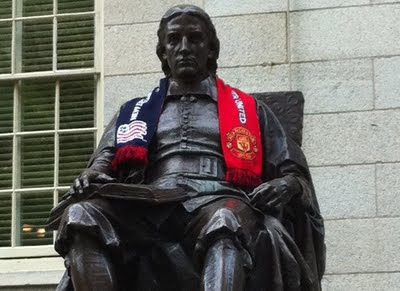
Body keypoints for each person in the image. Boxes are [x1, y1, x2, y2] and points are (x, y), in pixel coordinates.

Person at [50, 5, 325, 291]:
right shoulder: (135, 111)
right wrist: (93, 174)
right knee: (80, 215)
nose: (184, 48)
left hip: (217, 198)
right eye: (174, 40)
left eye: (194, 39)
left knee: (225, 220)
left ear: (211, 50)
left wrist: (286, 185)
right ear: (163, 52)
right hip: (147, 206)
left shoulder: (250, 110)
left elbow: (293, 172)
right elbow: (105, 159)